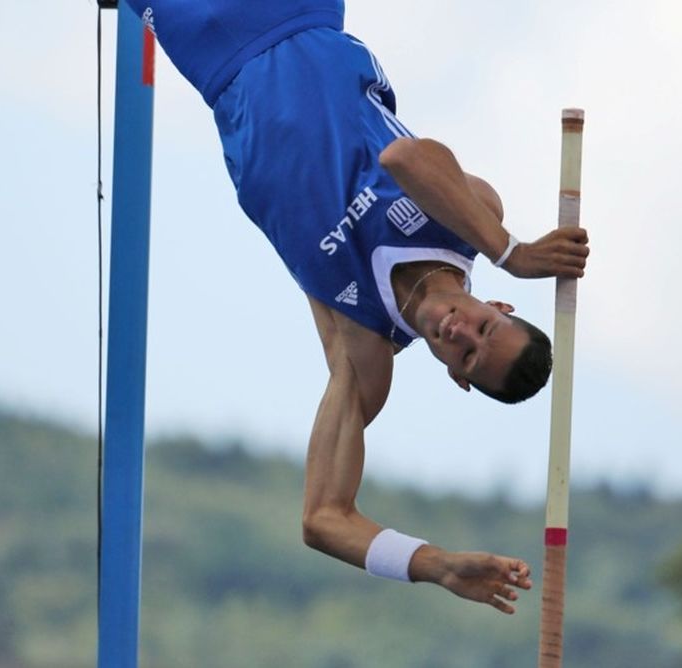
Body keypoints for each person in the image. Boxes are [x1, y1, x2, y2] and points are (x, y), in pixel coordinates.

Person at [126, 0, 589, 614]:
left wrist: (435, 565)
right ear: (496, 303)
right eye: (483, 325)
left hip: (216, 51)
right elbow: (407, 158)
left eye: (469, 356)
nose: (461, 332)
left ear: (458, 376)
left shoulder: (362, 353)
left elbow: (322, 518)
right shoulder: (471, 220)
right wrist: (512, 251)